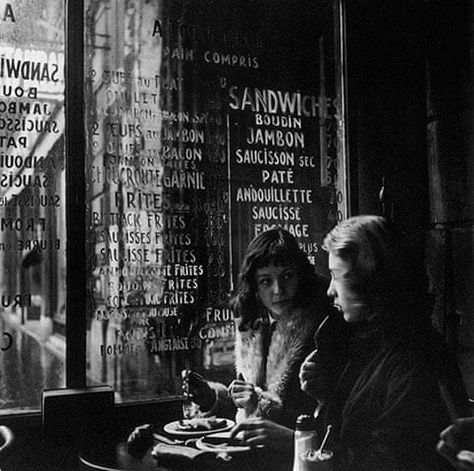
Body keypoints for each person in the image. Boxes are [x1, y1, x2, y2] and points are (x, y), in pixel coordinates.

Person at [299, 215, 471, 471]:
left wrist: (293, 444)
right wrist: (326, 397)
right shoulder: (375, 340)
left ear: (369, 279)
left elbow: (384, 460)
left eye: (337, 276)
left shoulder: (413, 356)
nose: (330, 290)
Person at [184, 227, 331, 452]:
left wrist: (259, 405)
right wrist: (212, 397)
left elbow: (325, 420)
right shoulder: (253, 326)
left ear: (301, 276)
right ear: (255, 288)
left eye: (287, 276)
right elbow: (245, 410)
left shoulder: (321, 328)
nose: (278, 289)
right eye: (265, 281)